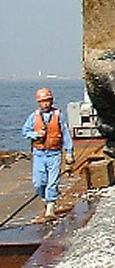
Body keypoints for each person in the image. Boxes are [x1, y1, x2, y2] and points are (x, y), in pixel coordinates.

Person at [21, 87, 73, 222]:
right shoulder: (34, 116)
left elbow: (65, 134)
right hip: (39, 154)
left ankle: (50, 207)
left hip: (54, 153)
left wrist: (69, 152)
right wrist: (35, 134)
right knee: (38, 182)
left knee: (52, 181)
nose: (45, 104)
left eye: (47, 101)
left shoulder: (58, 115)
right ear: (38, 102)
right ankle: (46, 198)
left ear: (51, 101)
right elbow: (25, 131)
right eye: (42, 101)